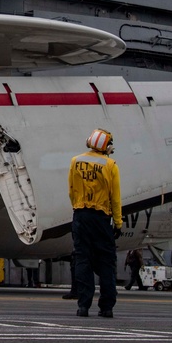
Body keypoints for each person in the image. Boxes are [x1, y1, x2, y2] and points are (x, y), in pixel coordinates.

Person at [69, 128, 122, 319]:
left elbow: (72, 190)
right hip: (101, 218)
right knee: (107, 262)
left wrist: (78, 211)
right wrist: (118, 222)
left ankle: (83, 306)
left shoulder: (76, 162)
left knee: (83, 260)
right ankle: (106, 307)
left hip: (81, 215)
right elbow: (115, 198)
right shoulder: (111, 165)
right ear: (106, 146)